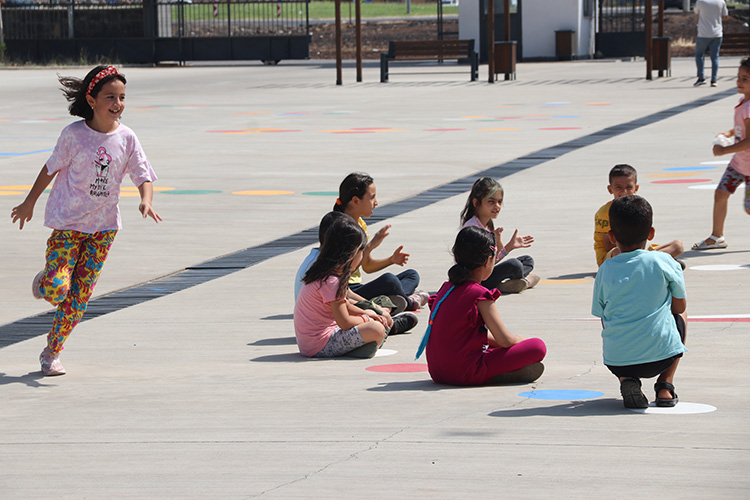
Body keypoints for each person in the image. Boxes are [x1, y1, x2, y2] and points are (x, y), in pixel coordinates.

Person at [10, 65, 161, 376]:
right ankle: (45, 279)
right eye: (110, 97)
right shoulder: (74, 135)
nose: (117, 104)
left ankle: (51, 352)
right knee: (55, 289)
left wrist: (146, 200)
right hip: (67, 225)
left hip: (103, 230)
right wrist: (29, 202)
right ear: (92, 100)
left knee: (78, 301)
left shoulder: (127, 137)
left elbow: (142, 174)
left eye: (122, 97)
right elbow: (50, 168)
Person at [416, 226, 546, 386]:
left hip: (437, 372)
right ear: (488, 261)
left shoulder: (446, 289)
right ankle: (498, 373)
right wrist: (523, 342)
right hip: (465, 371)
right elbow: (505, 340)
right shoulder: (480, 294)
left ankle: (503, 370)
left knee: (492, 347)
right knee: (537, 347)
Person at [592, 195, 687, 409]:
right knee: (681, 315)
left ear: (612, 236)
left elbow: (602, 316)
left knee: (613, 320)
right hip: (661, 356)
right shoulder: (664, 261)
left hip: (617, 361)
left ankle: (627, 379)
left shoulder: (605, 268)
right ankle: (665, 386)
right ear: (651, 233)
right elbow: (679, 307)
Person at [293, 211, 416, 334]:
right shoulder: (329, 275)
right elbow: (344, 319)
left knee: (381, 301)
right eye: (360, 250)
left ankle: (386, 318)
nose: (376, 203)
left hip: (325, 321)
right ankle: (389, 323)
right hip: (327, 327)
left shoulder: (324, 263)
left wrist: (373, 308)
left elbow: (347, 298)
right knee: (376, 322)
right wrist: (368, 316)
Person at [294, 216, 387, 358]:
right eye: (361, 251)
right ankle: (360, 348)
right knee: (377, 330)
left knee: (375, 325)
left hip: (311, 343)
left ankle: (363, 346)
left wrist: (368, 313)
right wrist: (366, 319)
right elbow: (344, 322)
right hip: (319, 345)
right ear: (351, 254)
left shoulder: (324, 273)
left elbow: (345, 305)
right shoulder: (331, 281)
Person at [334, 172, 428, 310]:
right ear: (355, 200)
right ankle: (408, 302)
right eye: (372, 198)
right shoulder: (341, 227)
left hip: (358, 287)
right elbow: (347, 269)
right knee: (389, 280)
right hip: (345, 290)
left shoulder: (361, 224)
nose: (376, 202)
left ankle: (391, 301)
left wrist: (391, 260)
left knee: (411, 275)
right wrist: (370, 246)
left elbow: (367, 266)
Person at [692, 57, 750, 250]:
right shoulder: (744, 102)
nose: (739, 82)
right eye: (739, 77)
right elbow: (742, 130)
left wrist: (724, 150)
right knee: (720, 194)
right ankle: (717, 236)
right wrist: (730, 133)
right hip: (739, 164)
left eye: (745, 79)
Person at [460, 177, 539, 294]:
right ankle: (524, 282)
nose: (497, 206)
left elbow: (492, 261)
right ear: (476, 203)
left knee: (527, 260)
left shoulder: (487, 225)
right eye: (491, 202)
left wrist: (509, 247)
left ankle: (509, 284)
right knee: (514, 264)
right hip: (476, 279)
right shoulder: (472, 229)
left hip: (486, 272)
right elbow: (480, 266)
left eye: (499, 202)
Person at [594, 164, 683, 267]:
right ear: (610, 189)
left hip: (638, 252)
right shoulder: (604, 212)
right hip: (612, 258)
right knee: (618, 251)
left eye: (629, 187)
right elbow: (609, 246)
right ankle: (655, 261)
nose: (624, 192)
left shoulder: (639, 207)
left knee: (678, 246)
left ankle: (646, 261)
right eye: (619, 187)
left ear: (636, 188)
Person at [693, 0, 729, 88]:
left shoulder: (700, 1)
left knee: (699, 55)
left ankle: (701, 77)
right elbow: (725, 16)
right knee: (715, 57)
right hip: (717, 33)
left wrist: (697, 23)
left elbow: (696, 13)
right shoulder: (721, 2)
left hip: (703, 33)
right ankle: (714, 80)